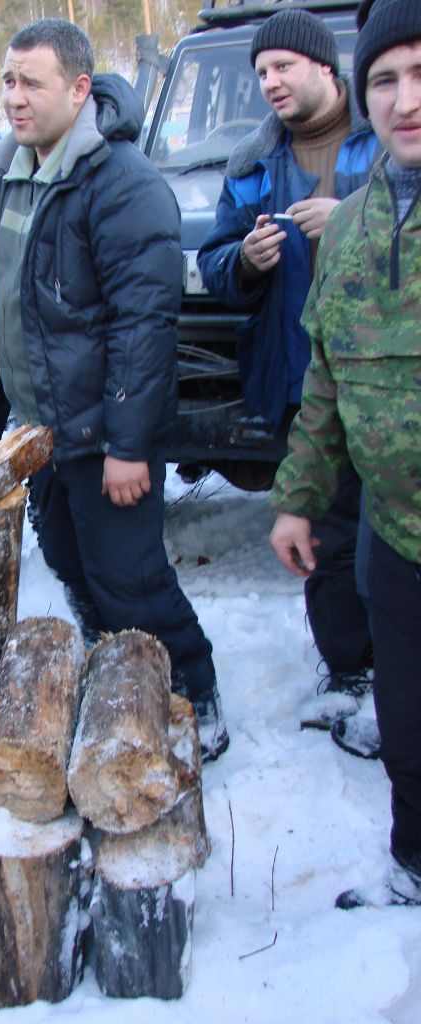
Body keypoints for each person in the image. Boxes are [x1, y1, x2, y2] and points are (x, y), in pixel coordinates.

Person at [0, 18, 228, 761]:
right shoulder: (8, 177)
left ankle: (193, 694)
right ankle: (117, 665)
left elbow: (143, 329)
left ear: (80, 89)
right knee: (69, 561)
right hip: (39, 429)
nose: (14, 97)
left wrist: (129, 446)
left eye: (32, 82)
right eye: (8, 80)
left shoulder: (121, 183)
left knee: (132, 578)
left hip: (102, 433)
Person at [270, 0, 421, 908]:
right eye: (387, 79)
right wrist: (296, 498)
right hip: (394, 539)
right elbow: (325, 378)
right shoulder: (353, 228)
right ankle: (414, 868)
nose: (408, 99)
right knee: (405, 722)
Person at [197, 9, 379, 730]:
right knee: (326, 540)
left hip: (391, 381)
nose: (269, 81)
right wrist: (243, 261)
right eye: (261, 71)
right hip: (305, 384)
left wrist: (354, 218)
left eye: (282, 67)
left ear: (325, 67)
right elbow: (215, 261)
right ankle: (349, 670)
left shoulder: (387, 139)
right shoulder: (251, 165)